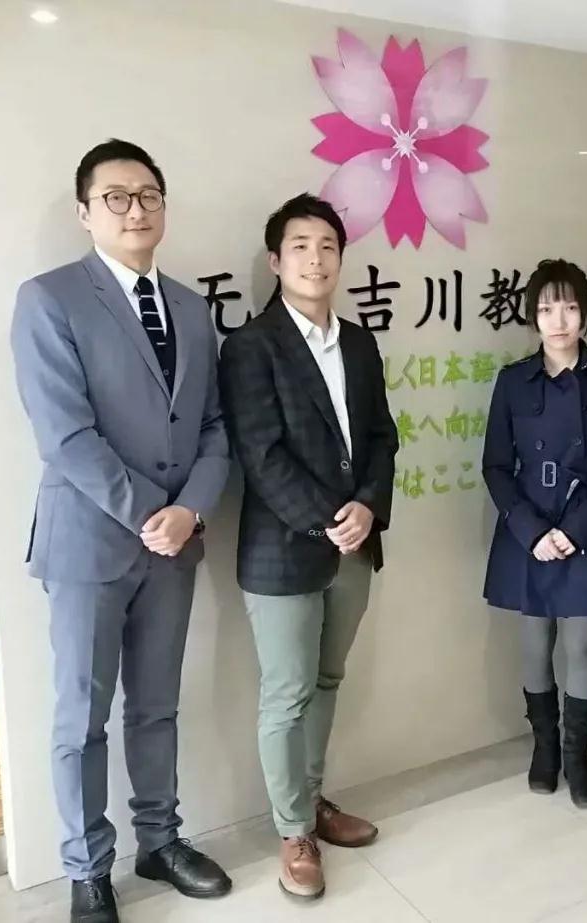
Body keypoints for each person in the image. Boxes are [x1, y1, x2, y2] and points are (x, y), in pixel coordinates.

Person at [11, 139, 232, 923]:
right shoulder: (50, 299)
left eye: (148, 195)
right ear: (85, 212)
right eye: (116, 196)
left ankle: (159, 840)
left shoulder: (192, 309)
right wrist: (151, 512)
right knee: (82, 716)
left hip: (174, 544)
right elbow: (65, 435)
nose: (135, 209)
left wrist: (190, 510)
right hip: (89, 544)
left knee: (157, 705)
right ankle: (87, 868)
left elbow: (214, 427)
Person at [218, 194, 399, 900]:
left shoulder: (358, 343)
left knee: (327, 680)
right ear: (275, 260)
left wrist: (369, 507)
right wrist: (332, 519)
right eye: (300, 246)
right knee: (287, 691)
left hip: (355, 543)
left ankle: (315, 800)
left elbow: (381, 437)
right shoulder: (251, 346)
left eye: (327, 246)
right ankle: (293, 829)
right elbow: (261, 456)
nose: (315, 259)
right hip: (284, 550)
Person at [483, 259, 587, 808]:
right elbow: (496, 467)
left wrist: (578, 530)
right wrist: (532, 532)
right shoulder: (513, 381)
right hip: (528, 532)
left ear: (585, 314)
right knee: (535, 647)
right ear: (533, 317)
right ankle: (545, 748)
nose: (559, 320)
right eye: (547, 309)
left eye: (570, 308)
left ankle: (577, 756)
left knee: (583, 647)